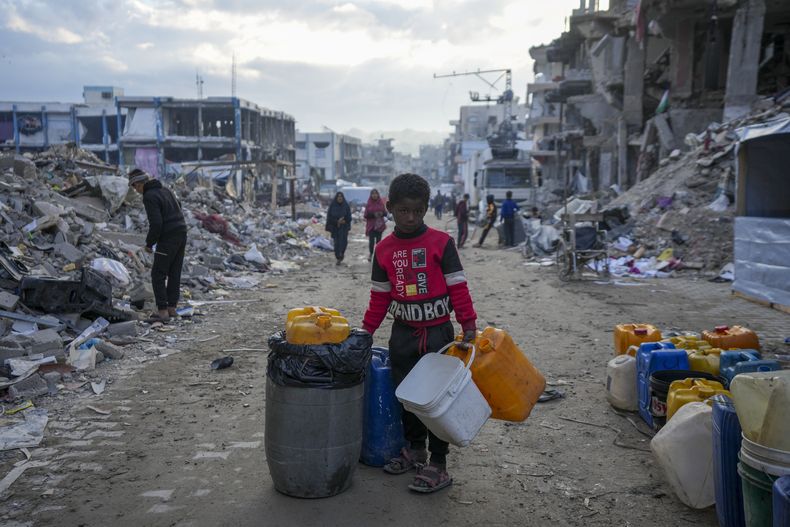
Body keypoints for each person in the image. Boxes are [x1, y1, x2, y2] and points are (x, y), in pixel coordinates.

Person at [362, 173, 477, 494]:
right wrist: (365, 332)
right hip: (403, 335)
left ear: (426, 208)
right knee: (407, 396)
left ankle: (438, 463)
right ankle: (415, 450)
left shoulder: (442, 243)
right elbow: (380, 297)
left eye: (417, 210)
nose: (410, 218)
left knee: (436, 401)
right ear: (389, 208)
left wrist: (468, 324)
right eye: (403, 211)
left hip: (439, 334)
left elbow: (458, 286)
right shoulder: (383, 250)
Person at [128, 168, 187, 322]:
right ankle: (172, 308)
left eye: (135, 187)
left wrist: (149, 244)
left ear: (139, 184)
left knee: (158, 274)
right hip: (181, 232)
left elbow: (156, 223)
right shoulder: (165, 190)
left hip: (168, 237)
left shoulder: (149, 196)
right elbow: (179, 206)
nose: (136, 190)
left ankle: (162, 312)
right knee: (174, 272)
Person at [326, 191, 352, 265]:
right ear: (336, 198)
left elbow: (349, 217)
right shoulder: (332, 206)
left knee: (344, 242)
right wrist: (337, 221)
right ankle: (338, 257)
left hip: (344, 228)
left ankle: (342, 253)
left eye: (341, 197)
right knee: (337, 243)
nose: (340, 198)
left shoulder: (346, 206)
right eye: (338, 197)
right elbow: (329, 217)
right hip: (335, 227)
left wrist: (344, 221)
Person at [363, 189, 387, 262]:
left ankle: (378, 255)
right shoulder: (369, 204)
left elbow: (385, 213)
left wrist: (381, 213)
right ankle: (371, 254)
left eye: (375, 194)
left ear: (378, 195)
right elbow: (366, 215)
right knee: (371, 241)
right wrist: (373, 215)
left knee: (379, 241)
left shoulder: (380, 203)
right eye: (373, 194)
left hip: (379, 226)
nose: (374, 195)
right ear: (371, 195)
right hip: (371, 226)